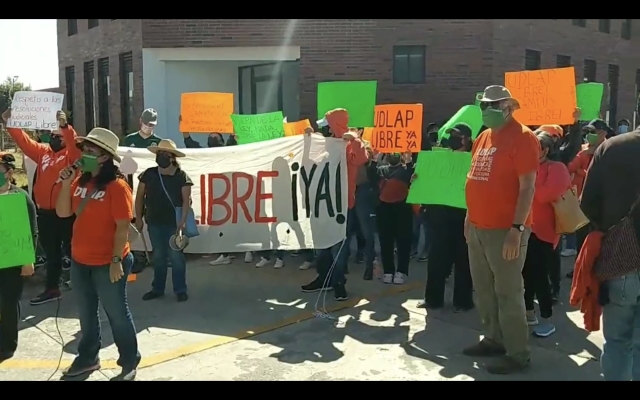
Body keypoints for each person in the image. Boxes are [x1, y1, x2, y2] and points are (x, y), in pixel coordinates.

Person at [463, 85, 539, 374]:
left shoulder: (523, 138)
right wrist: (470, 215)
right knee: (484, 288)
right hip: (479, 227)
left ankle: (518, 353)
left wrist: (517, 229)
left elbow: (528, 186)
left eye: (492, 105)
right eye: (483, 104)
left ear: (508, 108)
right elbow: (475, 178)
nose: (485, 110)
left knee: (508, 291)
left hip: (505, 230)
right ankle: (493, 338)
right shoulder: (483, 136)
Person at [55, 127, 140, 381]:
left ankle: (129, 361)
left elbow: (123, 226)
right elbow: (62, 212)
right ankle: (88, 357)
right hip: (81, 260)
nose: (84, 155)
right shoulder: (80, 181)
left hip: (108, 262)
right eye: (84, 150)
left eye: (90, 151)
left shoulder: (117, 186)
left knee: (117, 314)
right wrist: (67, 182)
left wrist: (116, 261)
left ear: (104, 157)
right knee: (86, 313)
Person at [1, 109, 81, 305]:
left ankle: (84, 284)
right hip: (45, 213)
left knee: (73, 250)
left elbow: (74, 145)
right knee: (51, 252)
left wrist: (65, 127)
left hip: (65, 213)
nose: (54, 138)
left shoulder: (71, 156)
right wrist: (10, 121)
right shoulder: (43, 153)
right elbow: (24, 141)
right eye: (52, 135)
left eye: (58, 136)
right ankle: (52, 289)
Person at [580, 123, 640, 381]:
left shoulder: (612, 147)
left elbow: (587, 204)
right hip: (622, 260)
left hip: (620, 260)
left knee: (617, 341)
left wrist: (609, 228)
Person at [301, 109, 368, 300]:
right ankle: (324, 278)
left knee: (338, 247)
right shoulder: (324, 146)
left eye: (328, 124)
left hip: (342, 206)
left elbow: (362, 158)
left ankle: (338, 283)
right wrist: (307, 142)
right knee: (322, 245)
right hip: (322, 204)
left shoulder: (347, 146)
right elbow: (308, 164)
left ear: (336, 125)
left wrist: (354, 139)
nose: (325, 128)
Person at [418, 123, 474, 312]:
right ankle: (433, 299)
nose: (453, 139)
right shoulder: (439, 158)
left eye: (457, 136)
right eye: (451, 135)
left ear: (467, 139)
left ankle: (463, 301)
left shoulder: (474, 160)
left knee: (463, 261)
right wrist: (419, 180)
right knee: (436, 259)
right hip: (439, 217)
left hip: (463, 218)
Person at [522, 132, 571, 337]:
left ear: (545, 150)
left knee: (541, 277)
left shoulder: (556, 168)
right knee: (526, 275)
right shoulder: (529, 168)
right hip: (525, 228)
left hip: (544, 231)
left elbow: (544, 195)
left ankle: (547, 318)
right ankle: (529, 313)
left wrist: (527, 180)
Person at [135, 140, 192, 302]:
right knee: (158, 257)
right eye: (159, 154)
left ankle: (180, 289)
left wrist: (182, 222)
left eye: (165, 154)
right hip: (154, 222)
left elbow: (186, 201)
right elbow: (139, 198)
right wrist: (138, 218)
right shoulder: (148, 174)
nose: (161, 157)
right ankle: (157, 288)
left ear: (172, 157)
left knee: (176, 258)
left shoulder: (181, 176)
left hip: (174, 224)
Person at [0, 153, 37, 362]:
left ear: (9, 173)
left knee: (8, 302)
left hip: (13, 261)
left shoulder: (20, 198)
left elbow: (32, 230)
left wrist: (27, 260)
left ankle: (7, 345)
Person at [368, 150, 414, 285]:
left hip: (402, 208)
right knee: (385, 241)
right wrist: (374, 159)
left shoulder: (406, 170)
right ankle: (388, 271)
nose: (393, 154)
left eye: (396, 153)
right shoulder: (381, 170)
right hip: (384, 208)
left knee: (403, 241)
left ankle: (401, 271)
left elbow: (413, 175)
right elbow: (371, 175)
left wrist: (409, 161)